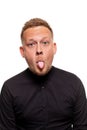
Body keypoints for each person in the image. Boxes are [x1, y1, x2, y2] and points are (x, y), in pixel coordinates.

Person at [0, 18, 87, 130]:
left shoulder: (74, 83)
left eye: (45, 43)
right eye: (31, 44)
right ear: (23, 51)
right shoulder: (10, 88)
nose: (39, 50)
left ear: (54, 48)